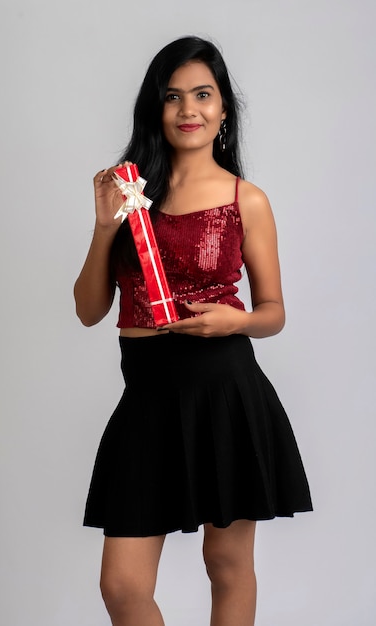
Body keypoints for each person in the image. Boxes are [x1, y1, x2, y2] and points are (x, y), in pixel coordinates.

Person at [74, 36, 312, 626]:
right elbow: (88, 310)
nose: (189, 109)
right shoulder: (130, 198)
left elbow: (274, 309)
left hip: (224, 391)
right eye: (173, 96)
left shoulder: (245, 199)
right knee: (122, 585)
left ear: (224, 108)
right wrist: (105, 228)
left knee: (226, 566)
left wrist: (238, 321)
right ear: (155, 109)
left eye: (203, 95)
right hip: (146, 399)